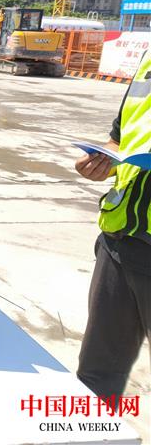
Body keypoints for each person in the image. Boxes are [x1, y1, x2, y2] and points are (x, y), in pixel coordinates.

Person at [75, 50, 150, 403]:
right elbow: (118, 139)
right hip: (119, 243)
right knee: (95, 374)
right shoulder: (148, 62)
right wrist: (102, 161)